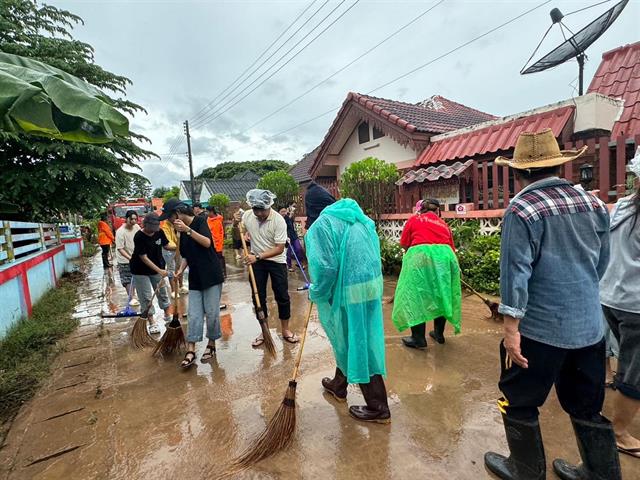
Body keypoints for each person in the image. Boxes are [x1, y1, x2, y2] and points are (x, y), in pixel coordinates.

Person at [483, 129, 620, 480]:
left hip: (540, 331)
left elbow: (516, 273)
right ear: (560, 166)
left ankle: (526, 470)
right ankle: (598, 473)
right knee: (587, 404)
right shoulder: (593, 203)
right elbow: (602, 262)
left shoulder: (523, 209)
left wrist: (511, 328)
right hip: (590, 326)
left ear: (518, 174)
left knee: (521, 398)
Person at [306, 199, 390, 423]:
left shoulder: (323, 224)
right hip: (371, 286)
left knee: (357, 342)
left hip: (348, 290)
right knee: (351, 337)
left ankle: (378, 406)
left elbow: (325, 267)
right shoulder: (361, 220)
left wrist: (316, 291)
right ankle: (338, 385)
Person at [599, 148, 640, 460]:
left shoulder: (621, 207)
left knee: (612, 350)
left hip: (609, 295)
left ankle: (600, 395)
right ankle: (619, 432)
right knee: (634, 370)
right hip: (635, 304)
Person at [160, 199, 225, 368]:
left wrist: (188, 230)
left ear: (178, 213)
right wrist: (181, 270)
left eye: (170, 217)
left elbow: (207, 243)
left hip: (211, 275)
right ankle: (191, 349)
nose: (169, 220)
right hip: (195, 277)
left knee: (211, 314)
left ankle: (211, 345)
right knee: (194, 315)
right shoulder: (180, 232)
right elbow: (187, 256)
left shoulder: (200, 221)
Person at [391, 198, 461, 349]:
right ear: (438, 211)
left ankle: (418, 338)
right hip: (445, 258)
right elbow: (451, 247)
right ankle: (439, 334)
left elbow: (404, 243)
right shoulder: (444, 224)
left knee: (416, 296)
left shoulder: (414, 220)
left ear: (421, 209)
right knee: (441, 294)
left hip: (420, 256)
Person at [233, 189, 298, 346]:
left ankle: (285, 330)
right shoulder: (248, 216)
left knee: (282, 296)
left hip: (276, 260)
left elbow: (279, 248)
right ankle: (265, 331)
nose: (259, 213)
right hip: (256, 261)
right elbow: (238, 235)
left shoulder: (279, 221)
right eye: (256, 209)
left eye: (262, 209)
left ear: (269, 206)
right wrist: (235, 224)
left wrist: (257, 257)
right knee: (258, 298)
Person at [130, 214, 171, 335]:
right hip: (140, 270)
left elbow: (166, 245)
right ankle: (152, 321)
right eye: (153, 226)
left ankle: (167, 315)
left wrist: (178, 246)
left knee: (162, 293)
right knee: (146, 297)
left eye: (157, 226)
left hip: (158, 266)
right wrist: (160, 270)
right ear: (145, 225)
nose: (155, 229)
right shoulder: (139, 236)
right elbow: (143, 257)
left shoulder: (159, 232)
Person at [115, 210, 141, 306]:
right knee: (127, 279)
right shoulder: (120, 232)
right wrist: (130, 258)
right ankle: (132, 298)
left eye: (135, 219)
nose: (134, 221)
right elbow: (120, 248)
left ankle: (134, 295)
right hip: (124, 259)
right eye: (132, 219)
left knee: (135, 278)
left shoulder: (137, 227)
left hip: (136, 257)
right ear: (127, 219)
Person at [160, 219, 186, 295]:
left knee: (180, 267)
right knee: (171, 269)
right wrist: (178, 247)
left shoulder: (177, 224)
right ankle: (173, 290)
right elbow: (168, 242)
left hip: (178, 249)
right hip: (169, 250)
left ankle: (181, 286)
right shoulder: (165, 227)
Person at [279, 206, 304, 272]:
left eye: (285, 211)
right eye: (282, 212)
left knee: (298, 249)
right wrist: (285, 237)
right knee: (288, 252)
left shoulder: (288, 217)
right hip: (285, 238)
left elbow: (292, 226)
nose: (284, 213)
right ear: (279, 212)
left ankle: (299, 263)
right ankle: (289, 266)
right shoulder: (278, 220)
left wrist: (291, 216)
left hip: (293, 236)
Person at [207, 206, 226, 278]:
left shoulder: (220, 219)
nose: (207, 213)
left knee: (220, 257)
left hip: (219, 242)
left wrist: (222, 240)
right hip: (211, 242)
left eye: (208, 211)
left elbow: (223, 231)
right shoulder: (207, 220)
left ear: (212, 212)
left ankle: (222, 273)